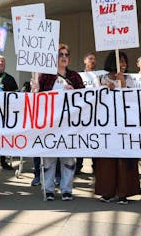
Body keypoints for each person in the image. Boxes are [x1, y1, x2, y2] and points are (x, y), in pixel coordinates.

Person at [31, 43, 84, 201]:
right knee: (49, 158)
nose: (64, 58)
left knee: (68, 158)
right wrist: (35, 89)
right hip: (50, 123)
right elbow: (37, 98)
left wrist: (74, 92)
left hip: (69, 124)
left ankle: (66, 189)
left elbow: (84, 98)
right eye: (61, 54)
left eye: (66, 55)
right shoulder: (45, 76)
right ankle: (48, 189)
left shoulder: (75, 76)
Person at [96, 51, 141, 205]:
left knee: (124, 158)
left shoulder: (129, 79)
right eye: (120, 61)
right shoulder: (103, 78)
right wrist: (104, 88)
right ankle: (107, 192)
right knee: (108, 159)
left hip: (124, 124)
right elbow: (98, 100)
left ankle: (123, 193)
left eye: (124, 61)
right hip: (108, 125)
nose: (123, 64)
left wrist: (122, 83)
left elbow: (131, 99)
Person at [0, 55, 18, 170]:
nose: (1, 63)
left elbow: (17, 96)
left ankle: (3, 161)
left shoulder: (10, 79)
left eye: (3, 61)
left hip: (6, 114)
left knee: (3, 138)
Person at [76, 52, 98, 174]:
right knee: (80, 138)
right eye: (90, 59)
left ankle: (95, 166)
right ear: (85, 60)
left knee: (94, 138)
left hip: (95, 112)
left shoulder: (100, 76)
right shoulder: (78, 75)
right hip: (81, 112)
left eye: (94, 59)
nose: (92, 61)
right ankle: (79, 165)